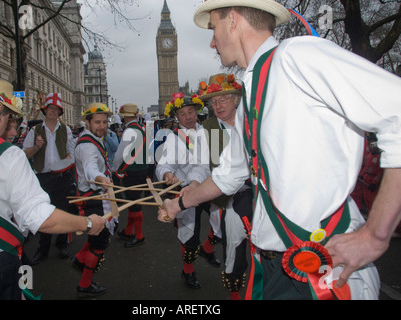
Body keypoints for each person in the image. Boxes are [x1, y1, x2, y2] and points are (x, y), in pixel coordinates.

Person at [158, 0, 401, 300]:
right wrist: (178, 204)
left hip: (322, 265)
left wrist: (376, 235)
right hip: (274, 266)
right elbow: (229, 176)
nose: (212, 41)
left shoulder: (297, 56)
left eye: (214, 28)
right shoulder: (251, 95)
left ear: (233, 21)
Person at [0, 77, 106, 299]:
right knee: (23, 277)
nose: (9, 124)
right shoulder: (8, 154)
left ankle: (53, 255)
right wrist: (89, 223)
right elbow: (40, 218)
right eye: (8, 116)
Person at [156, 93, 219, 289]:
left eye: (191, 111)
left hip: (212, 187)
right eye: (182, 114)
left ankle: (207, 249)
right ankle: (188, 270)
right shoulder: (174, 138)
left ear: (197, 111)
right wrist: (167, 174)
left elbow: (216, 162)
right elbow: (164, 163)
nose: (188, 117)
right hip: (186, 191)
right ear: (176, 116)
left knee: (224, 224)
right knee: (190, 235)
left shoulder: (211, 132)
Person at [199, 73, 250, 299]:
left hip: (263, 196)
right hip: (228, 198)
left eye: (223, 100)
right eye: (214, 101)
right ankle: (235, 294)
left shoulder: (251, 120)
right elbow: (200, 165)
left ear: (235, 99)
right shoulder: (206, 129)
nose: (218, 105)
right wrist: (194, 184)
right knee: (233, 248)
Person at [23, 92, 76, 264]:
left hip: (62, 177)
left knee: (62, 212)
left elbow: (72, 152)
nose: (53, 112)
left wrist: (69, 158)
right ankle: (42, 249)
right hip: (43, 177)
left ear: (60, 112)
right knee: (43, 214)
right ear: (45, 111)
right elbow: (25, 154)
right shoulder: (35, 130)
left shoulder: (66, 130)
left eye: (56, 109)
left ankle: (62, 244)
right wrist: (37, 147)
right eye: (50, 109)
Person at [71, 103, 117, 297]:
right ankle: (85, 283)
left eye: (105, 122)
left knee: (96, 235)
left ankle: (80, 259)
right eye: (97, 122)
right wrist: (101, 179)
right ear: (87, 122)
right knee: (100, 242)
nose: (102, 126)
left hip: (95, 195)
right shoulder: (88, 145)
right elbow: (91, 168)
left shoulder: (91, 139)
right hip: (93, 198)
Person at [112, 103, 148, 247]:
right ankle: (128, 230)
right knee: (133, 201)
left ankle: (139, 235)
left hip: (132, 171)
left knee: (134, 203)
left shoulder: (129, 131)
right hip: (141, 170)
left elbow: (120, 154)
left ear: (125, 116)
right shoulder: (141, 128)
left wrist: (115, 169)